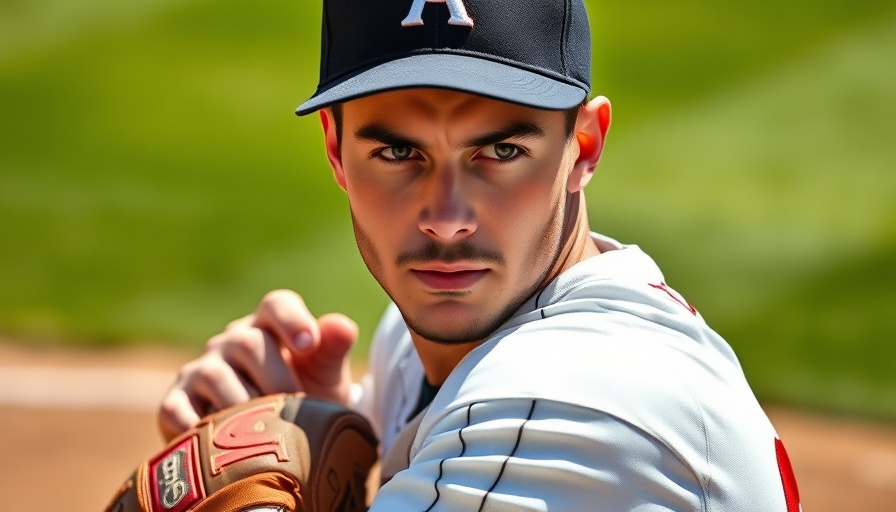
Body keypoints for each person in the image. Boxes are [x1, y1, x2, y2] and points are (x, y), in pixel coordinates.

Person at [158, 0, 802, 509]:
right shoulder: (421, 344)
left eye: (499, 152)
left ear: (584, 144)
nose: (446, 221)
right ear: (336, 150)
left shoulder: (566, 404)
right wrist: (328, 425)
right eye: (397, 153)